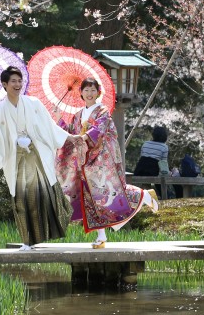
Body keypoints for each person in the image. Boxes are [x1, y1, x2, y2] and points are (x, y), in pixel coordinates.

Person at [0, 66, 77, 251]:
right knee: (21, 201)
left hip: (35, 155)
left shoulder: (33, 103)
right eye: (13, 81)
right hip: (16, 159)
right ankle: (27, 240)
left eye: (19, 81)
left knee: (44, 195)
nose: (17, 84)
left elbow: (48, 125)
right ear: (4, 85)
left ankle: (43, 232)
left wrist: (69, 137)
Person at [54, 78, 160, 249]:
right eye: (86, 90)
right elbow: (70, 134)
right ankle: (101, 236)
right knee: (91, 197)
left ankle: (144, 196)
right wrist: (59, 119)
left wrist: (84, 137)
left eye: (93, 90)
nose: (89, 93)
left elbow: (99, 129)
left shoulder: (102, 111)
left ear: (98, 92)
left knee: (108, 192)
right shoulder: (78, 115)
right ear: (81, 92)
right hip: (85, 160)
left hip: (100, 159)